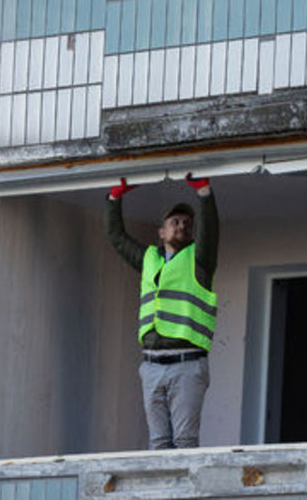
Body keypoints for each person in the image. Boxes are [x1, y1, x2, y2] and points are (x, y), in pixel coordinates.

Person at [106, 174, 219, 449]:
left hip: (187, 364)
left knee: (184, 441)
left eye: (187, 224)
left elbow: (211, 230)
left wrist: (204, 194)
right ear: (162, 232)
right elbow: (117, 238)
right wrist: (113, 199)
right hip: (151, 365)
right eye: (175, 222)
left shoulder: (199, 258)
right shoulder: (149, 259)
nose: (182, 226)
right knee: (158, 444)